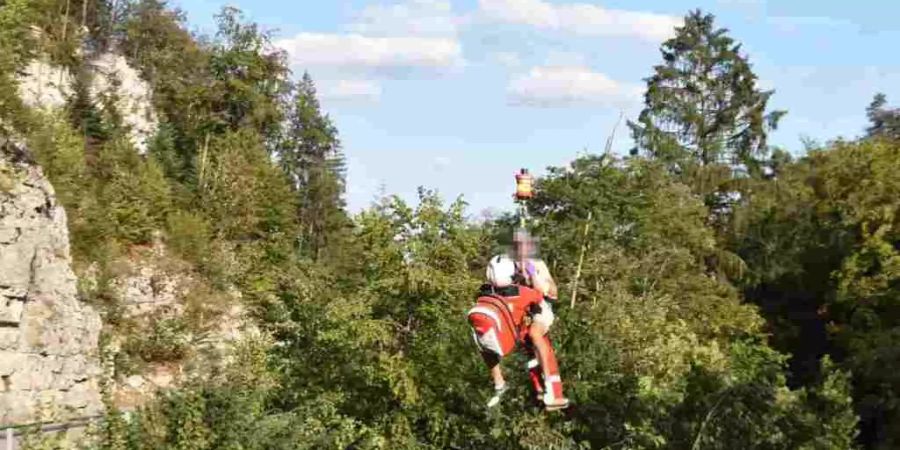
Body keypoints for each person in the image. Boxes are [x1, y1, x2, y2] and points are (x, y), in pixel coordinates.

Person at [467, 254, 569, 411]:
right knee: (527, 342)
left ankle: (506, 382)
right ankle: (537, 384)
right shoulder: (521, 292)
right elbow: (541, 294)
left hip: (523, 323)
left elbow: (547, 296)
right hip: (517, 326)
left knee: (533, 335)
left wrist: (532, 271)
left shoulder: (485, 294)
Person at [512, 228, 566, 408]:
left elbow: (547, 290)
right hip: (521, 312)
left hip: (540, 309)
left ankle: (551, 383)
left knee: (535, 333)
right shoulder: (511, 265)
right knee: (523, 344)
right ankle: (539, 388)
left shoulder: (537, 264)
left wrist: (532, 272)